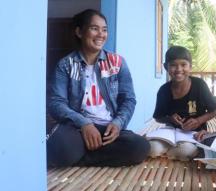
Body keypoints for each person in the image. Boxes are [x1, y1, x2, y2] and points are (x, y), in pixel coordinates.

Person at [47, 9, 150, 167]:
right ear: (80, 32)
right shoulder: (65, 65)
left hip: (108, 129)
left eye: (104, 29)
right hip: (77, 129)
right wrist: (84, 124)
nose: (101, 34)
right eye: (94, 28)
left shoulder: (117, 62)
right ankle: (86, 153)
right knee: (60, 147)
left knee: (140, 147)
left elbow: (128, 99)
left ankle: (80, 156)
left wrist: (118, 123)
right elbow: (56, 103)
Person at [149, 46, 216, 161]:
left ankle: (172, 151)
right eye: (173, 65)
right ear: (166, 67)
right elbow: (158, 117)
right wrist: (170, 119)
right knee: (152, 148)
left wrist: (198, 121)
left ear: (190, 67)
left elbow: (215, 110)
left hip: (194, 133)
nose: (178, 69)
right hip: (170, 133)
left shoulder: (199, 85)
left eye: (183, 64)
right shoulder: (163, 90)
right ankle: (171, 150)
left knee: (185, 151)